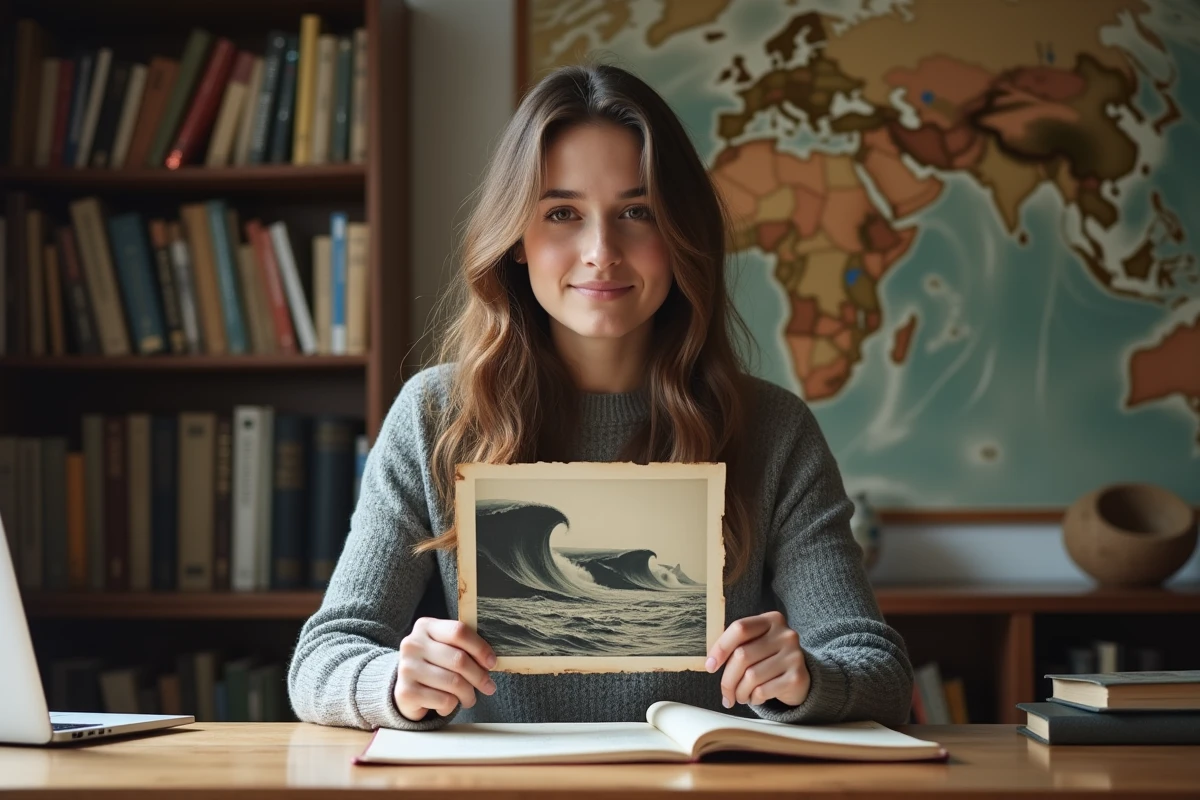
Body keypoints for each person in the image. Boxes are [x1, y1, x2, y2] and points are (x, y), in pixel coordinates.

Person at [287, 63, 913, 731]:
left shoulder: (771, 428)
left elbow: (875, 668)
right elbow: (322, 660)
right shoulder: (435, 415)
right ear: (516, 240)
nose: (600, 251)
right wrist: (392, 682)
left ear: (681, 235)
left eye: (637, 213)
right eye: (561, 213)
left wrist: (807, 679)